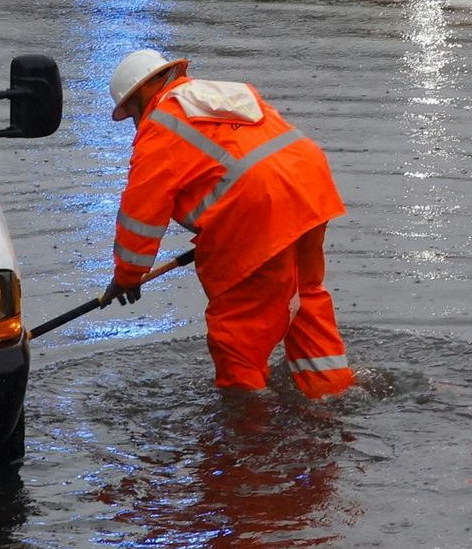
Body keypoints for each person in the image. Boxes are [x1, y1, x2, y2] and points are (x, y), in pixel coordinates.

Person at [104, 46, 353, 397]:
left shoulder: (160, 123)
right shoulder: (224, 93)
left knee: (236, 332)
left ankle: (245, 430)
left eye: (130, 113)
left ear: (142, 92)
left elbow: (141, 213)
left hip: (258, 213)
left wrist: (127, 275)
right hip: (309, 190)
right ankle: (331, 396)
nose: (134, 123)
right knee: (303, 299)